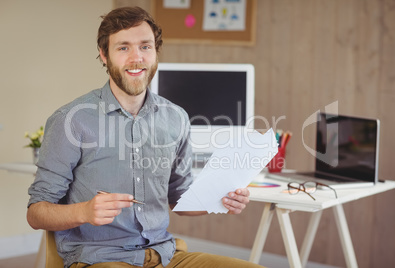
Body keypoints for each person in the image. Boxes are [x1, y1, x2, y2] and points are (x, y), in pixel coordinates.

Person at [27, 6, 265, 268]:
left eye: (145, 46)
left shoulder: (176, 118)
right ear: (104, 55)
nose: (136, 58)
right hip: (100, 259)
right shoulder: (71, 120)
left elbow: (179, 199)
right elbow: (36, 213)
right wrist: (83, 211)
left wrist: (220, 199)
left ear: (155, 51)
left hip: (164, 256)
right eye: (123, 48)